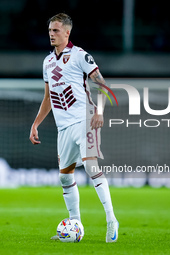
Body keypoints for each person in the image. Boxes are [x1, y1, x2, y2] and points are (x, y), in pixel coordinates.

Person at [29, 13, 118, 243]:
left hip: (85, 119)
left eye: (56, 30)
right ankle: (75, 224)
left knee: (90, 167)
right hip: (64, 127)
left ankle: (111, 220)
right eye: (50, 30)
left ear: (67, 32)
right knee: (65, 178)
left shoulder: (80, 55)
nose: (51, 34)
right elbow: (48, 97)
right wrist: (36, 123)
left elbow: (101, 85)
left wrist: (99, 111)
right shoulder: (47, 62)